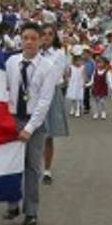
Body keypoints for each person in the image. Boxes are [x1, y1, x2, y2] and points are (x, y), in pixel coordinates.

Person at [3, 23, 56, 225]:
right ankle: (12, 204)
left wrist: (30, 128)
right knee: (10, 164)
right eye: (25, 38)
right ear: (20, 39)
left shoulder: (47, 67)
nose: (29, 42)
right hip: (13, 118)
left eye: (34, 38)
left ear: (40, 40)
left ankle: (31, 211)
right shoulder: (11, 63)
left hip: (34, 122)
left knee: (32, 167)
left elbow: (44, 102)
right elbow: (5, 88)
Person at [40, 25, 69, 182]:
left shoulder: (59, 54)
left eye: (50, 34)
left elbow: (54, 75)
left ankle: (47, 170)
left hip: (51, 93)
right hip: (34, 94)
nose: (46, 37)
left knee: (47, 135)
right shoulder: (34, 53)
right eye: (43, 34)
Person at [66, 52, 88, 118]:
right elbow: (68, 74)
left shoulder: (83, 67)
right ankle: (72, 108)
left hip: (79, 83)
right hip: (73, 83)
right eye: (78, 60)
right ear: (74, 61)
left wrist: (84, 82)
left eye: (80, 60)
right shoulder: (71, 67)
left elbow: (84, 75)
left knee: (78, 97)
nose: (79, 62)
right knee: (73, 97)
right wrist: (68, 80)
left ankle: (78, 109)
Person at [89, 55, 111, 120]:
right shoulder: (95, 71)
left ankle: (103, 112)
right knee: (95, 101)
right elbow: (92, 80)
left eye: (101, 62)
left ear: (105, 63)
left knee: (102, 101)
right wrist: (87, 85)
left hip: (103, 88)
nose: (99, 64)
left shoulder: (107, 72)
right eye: (98, 63)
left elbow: (109, 81)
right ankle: (96, 112)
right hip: (95, 88)